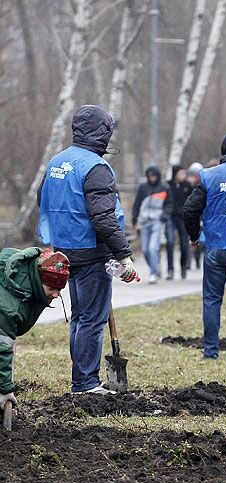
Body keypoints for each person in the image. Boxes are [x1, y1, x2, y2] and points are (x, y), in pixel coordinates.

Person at [37, 104, 138, 395]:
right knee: (92, 319)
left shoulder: (57, 161)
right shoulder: (95, 167)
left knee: (80, 317)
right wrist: (123, 255)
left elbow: (44, 203)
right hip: (92, 251)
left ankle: (80, 379)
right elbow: (103, 218)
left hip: (65, 250)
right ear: (102, 133)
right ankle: (85, 383)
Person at [184, 131, 226, 360]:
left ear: (223, 152)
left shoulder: (208, 176)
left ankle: (211, 351)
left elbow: (190, 209)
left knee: (212, 299)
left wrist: (195, 235)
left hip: (215, 246)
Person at [0, 249, 71, 407]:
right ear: (39, 281)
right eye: (51, 288)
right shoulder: (9, 308)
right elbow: (2, 348)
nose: (56, 295)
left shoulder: (30, 271)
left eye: (59, 289)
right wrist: (4, 389)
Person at [131, 165, 171, 284]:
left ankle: (153, 273)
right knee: (145, 250)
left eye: (154, 175)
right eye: (150, 175)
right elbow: (137, 204)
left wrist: (164, 216)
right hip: (144, 222)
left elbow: (169, 204)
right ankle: (155, 266)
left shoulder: (164, 187)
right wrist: (134, 219)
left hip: (157, 221)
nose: (152, 178)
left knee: (153, 248)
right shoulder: (143, 187)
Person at [166, 165, 193, 280]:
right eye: (181, 173)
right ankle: (170, 269)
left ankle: (183, 267)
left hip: (183, 217)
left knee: (184, 243)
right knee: (170, 242)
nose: (183, 175)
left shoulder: (187, 186)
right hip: (171, 217)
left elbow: (192, 200)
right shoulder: (168, 185)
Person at [187, 162, 205, 269]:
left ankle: (197, 259)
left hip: (201, 215)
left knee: (199, 240)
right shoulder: (188, 185)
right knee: (192, 239)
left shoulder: (204, 184)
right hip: (193, 215)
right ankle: (191, 261)